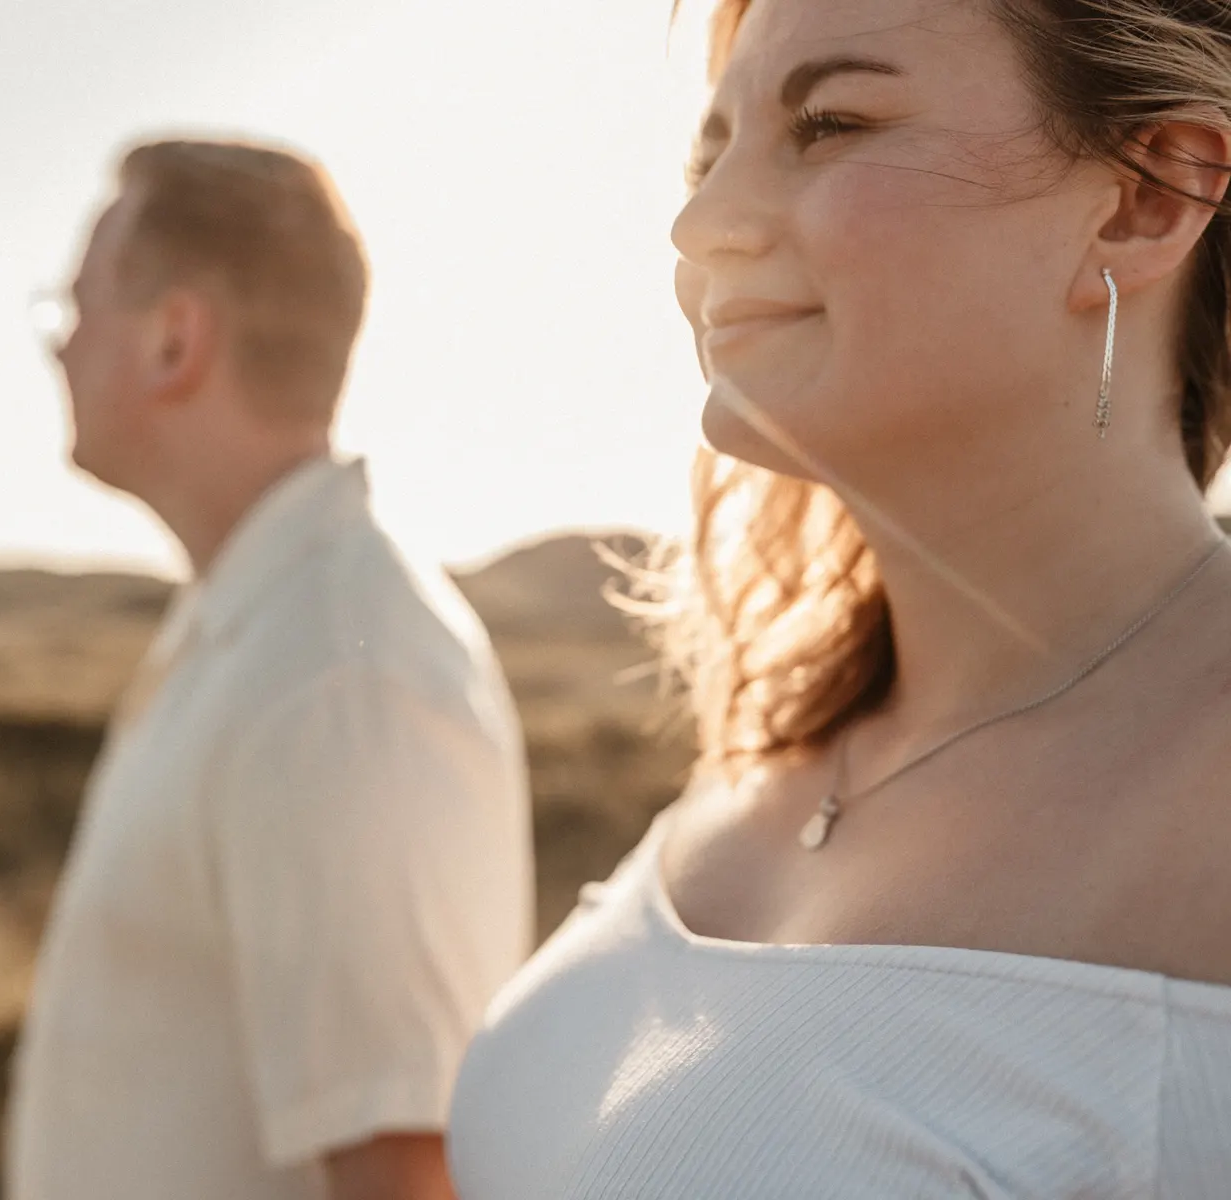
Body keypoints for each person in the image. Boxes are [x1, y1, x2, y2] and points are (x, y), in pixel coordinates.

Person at [448, 0, 1231, 1195]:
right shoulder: (775, 742)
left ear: (1148, 199)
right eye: (708, 152)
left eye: (829, 123)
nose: (700, 221)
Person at [4, 138, 534, 1200]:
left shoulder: (341, 679)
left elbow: (406, 1170)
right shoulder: (254, 625)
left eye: (76, 304)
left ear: (174, 340)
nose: (57, 347)